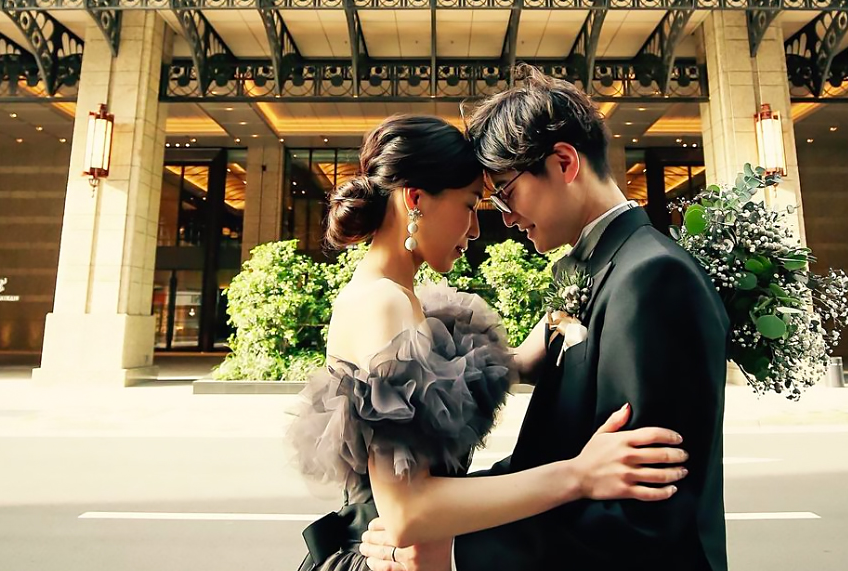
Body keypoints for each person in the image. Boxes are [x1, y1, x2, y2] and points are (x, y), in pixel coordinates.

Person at [359, 67, 730, 571]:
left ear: (563, 162)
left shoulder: (653, 277)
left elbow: (648, 502)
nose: (504, 218)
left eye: (505, 193)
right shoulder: (591, 268)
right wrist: (436, 518)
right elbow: (551, 458)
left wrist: (453, 551)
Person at [288, 114, 691, 571]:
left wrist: (575, 307)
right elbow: (406, 511)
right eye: (469, 205)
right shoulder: (382, 303)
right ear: (415, 199)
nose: (476, 229)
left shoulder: (405, 299)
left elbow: (499, 369)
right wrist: (579, 475)